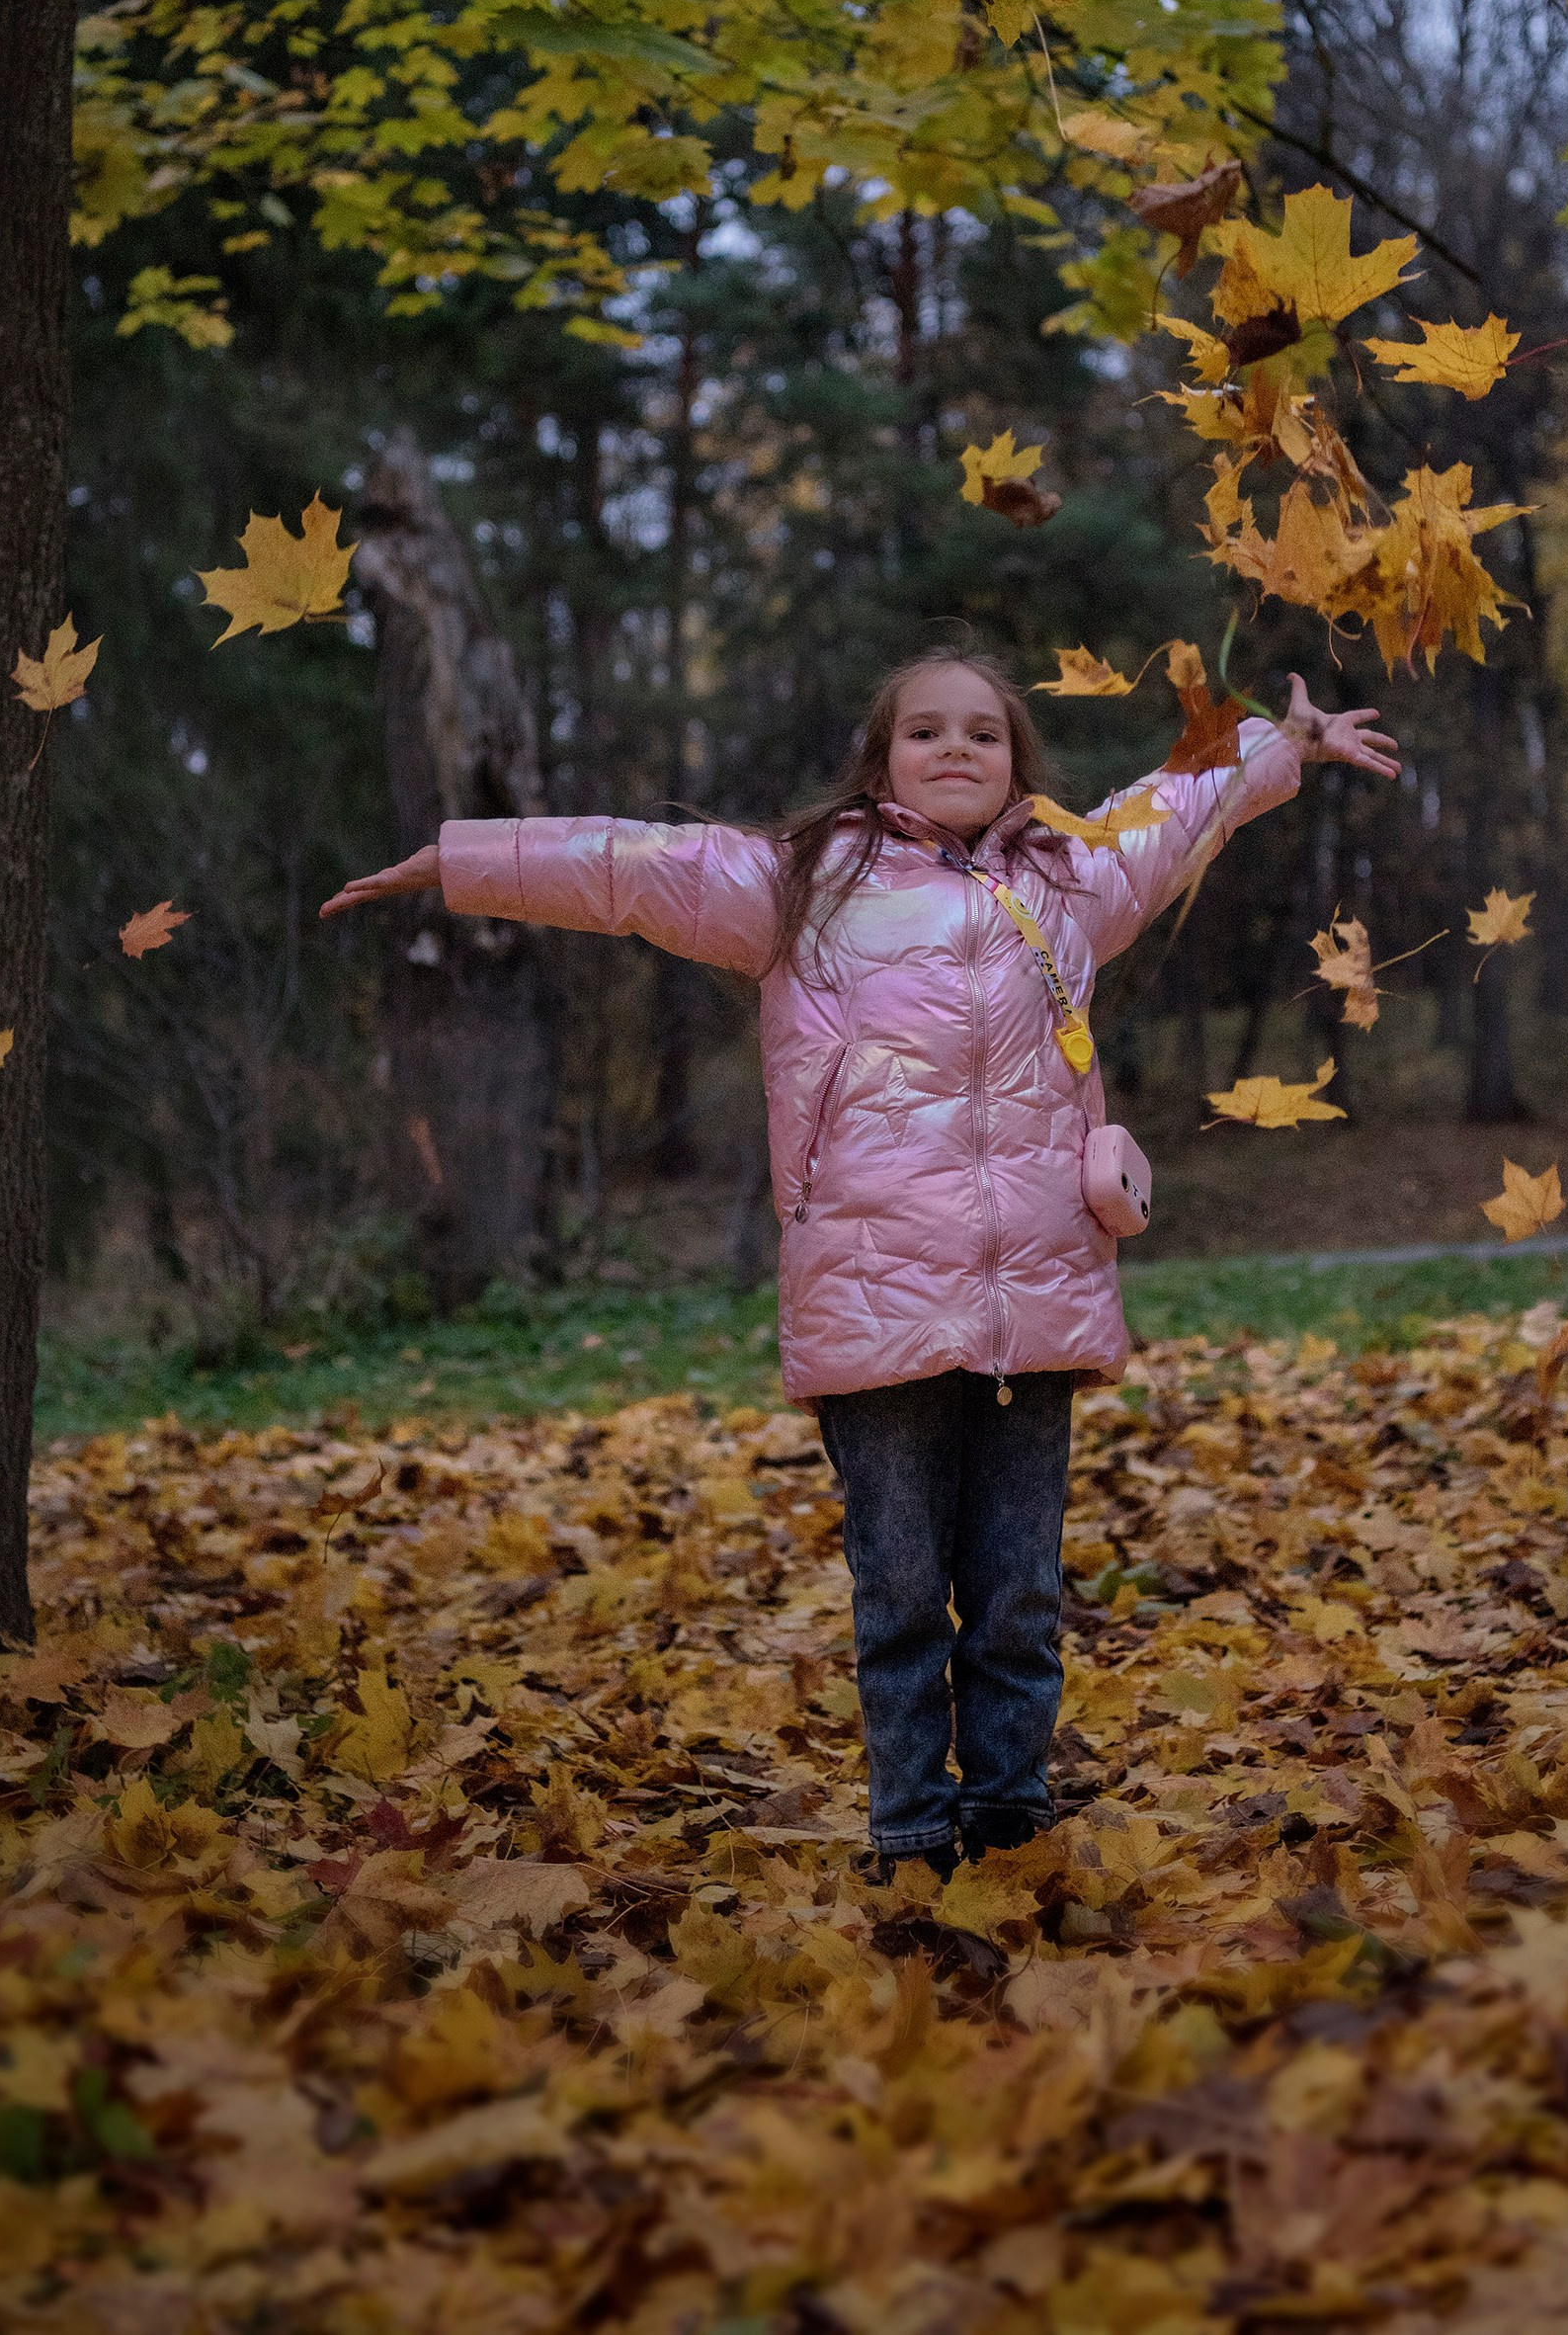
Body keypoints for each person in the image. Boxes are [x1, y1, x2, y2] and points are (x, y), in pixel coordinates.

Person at [322, 653, 1398, 1878]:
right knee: (899, 1598)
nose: (955, 749)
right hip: (871, 1312)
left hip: (1033, 1304)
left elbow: (1176, 805)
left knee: (1017, 1598)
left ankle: (1009, 1823)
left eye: (982, 731)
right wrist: (456, 859)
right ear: (879, 758)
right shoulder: (801, 885)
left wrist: (1281, 742)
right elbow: (629, 867)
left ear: (1016, 757)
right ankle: (911, 1834)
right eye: (924, 730)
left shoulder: (1070, 875)